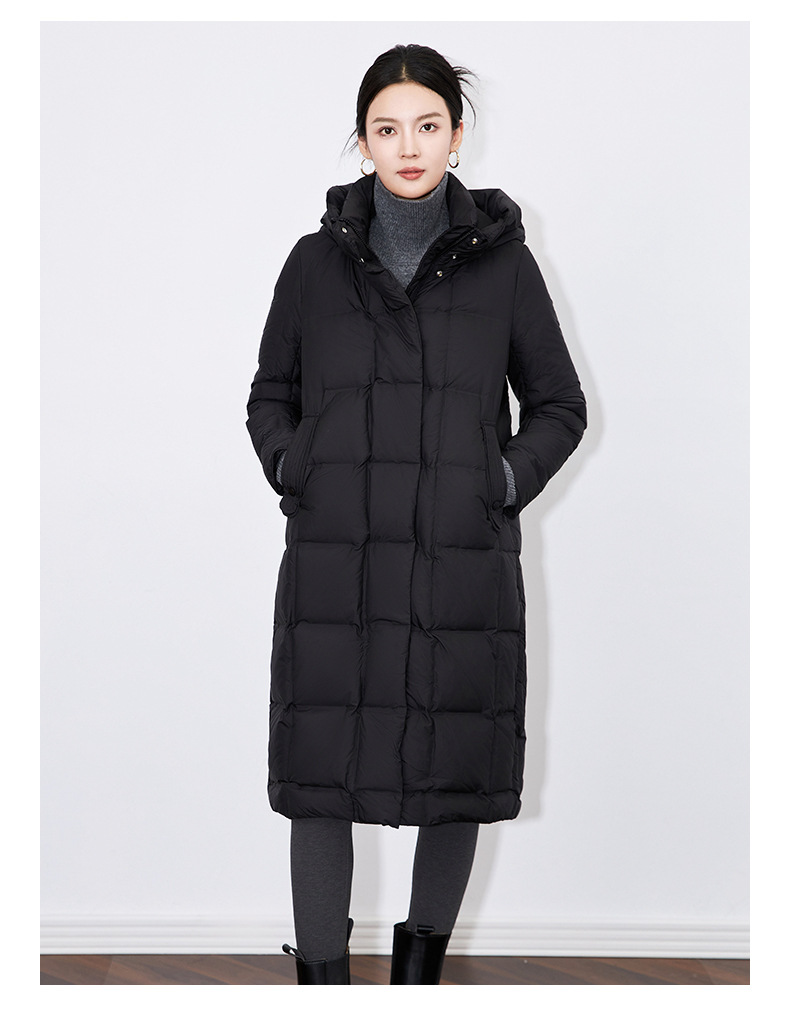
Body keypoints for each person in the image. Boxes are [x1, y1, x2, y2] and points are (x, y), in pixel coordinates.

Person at [245, 43, 587, 986]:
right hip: (335, 562)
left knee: (455, 775)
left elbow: (559, 405)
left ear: (456, 135)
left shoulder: (506, 268)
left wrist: (499, 482)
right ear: (362, 142)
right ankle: (322, 984)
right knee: (320, 779)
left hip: (458, 560)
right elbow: (270, 393)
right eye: (387, 128)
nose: (408, 146)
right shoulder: (313, 265)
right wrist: (296, 465)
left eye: (427, 126)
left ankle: (416, 984)